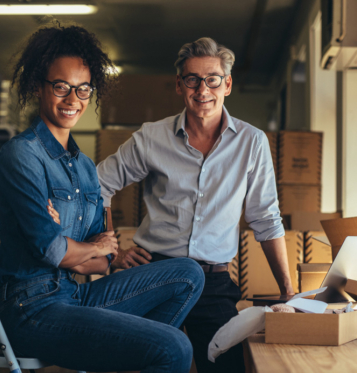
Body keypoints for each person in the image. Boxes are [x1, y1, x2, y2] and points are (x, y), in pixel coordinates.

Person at [0, 24, 204, 373]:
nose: (73, 99)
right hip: (31, 310)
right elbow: (54, 251)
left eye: (83, 88)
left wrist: (79, 249)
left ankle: (133, 355)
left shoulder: (86, 168)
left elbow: (98, 264)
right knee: (175, 347)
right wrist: (87, 248)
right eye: (61, 86)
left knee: (188, 274)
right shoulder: (22, 156)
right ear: (38, 86)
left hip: (73, 297)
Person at [96, 37, 294, 372]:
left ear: (227, 84)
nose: (203, 90)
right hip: (154, 276)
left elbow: (266, 219)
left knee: (228, 366)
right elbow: (98, 185)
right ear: (179, 85)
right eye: (192, 79)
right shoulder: (151, 137)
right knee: (148, 365)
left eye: (212, 79)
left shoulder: (252, 142)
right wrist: (111, 251)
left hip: (213, 283)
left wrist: (288, 292)